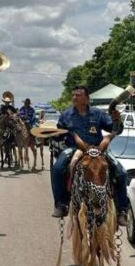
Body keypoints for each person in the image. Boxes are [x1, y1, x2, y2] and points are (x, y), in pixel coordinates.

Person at [51, 85, 128, 226]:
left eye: (78, 95)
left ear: (87, 98)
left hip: (98, 149)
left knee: (121, 172)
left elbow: (115, 129)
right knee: (57, 168)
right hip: (73, 149)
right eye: (73, 95)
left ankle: (122, 211)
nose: (74, 97)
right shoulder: (66, 114)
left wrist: (117, 121)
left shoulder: (97, 114)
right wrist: (53, 135)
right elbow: (59, 135)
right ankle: (61, 204)